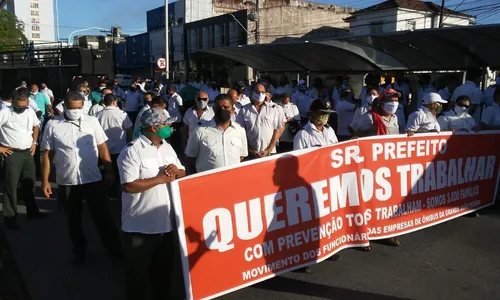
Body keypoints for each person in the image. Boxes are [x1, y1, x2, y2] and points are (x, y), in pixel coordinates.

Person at [41, 91, 123, 265]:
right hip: (67, 180)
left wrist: (108, 170)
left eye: (79, 108)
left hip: (92, 178)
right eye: (73, 108)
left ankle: (115, 249)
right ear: (64, 107)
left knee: (102, 216)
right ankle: (79, 251)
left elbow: (102, 147)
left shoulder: (92, 122)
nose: (76, 111)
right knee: (73, 220)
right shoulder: (53, 125)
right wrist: (46, 181)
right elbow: (48, 155)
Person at [118, 108, 185, 300]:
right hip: (140, 226)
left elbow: (182, 172)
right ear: (154, 127)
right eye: (166, 124)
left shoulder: (167, 147)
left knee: (163, 274)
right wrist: (160, 179)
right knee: (137, 277)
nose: (170, 127)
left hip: (165, 224)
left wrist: (177, 172)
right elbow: (129, 186)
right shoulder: (131, 151)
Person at [353, 88, 402, 249]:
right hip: (369, 167)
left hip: (389, 167)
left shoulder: (395, 118)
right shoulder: (369, 117)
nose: (393, 104)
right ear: (380, 102)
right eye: (390, 101)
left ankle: (387, 233)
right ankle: (363, 236)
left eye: (396, 101)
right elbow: (354, 135)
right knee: (368, 202)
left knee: (388, 202)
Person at [0, 88, 44, 230]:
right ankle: (10, 217)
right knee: (11, 186)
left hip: (28, 152)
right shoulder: (5, 113)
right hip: (12, 153)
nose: (22, 109)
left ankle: (32, 211)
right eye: (19, 107)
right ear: (12, 102)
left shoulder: (29, 111)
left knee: (30, 183)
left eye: (24, 106)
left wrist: (35, 143)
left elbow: (36, 126)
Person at [185, 94, 247, 173]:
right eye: (219, 108)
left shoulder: (240, 130)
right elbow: (190, 158)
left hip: (233, 179)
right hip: (207, 182)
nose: (222, 110)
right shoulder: (200, 130)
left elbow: (241, 156)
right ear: (214, 109)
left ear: (233, 110)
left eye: (226, 107)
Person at [96, 94, 134, 199]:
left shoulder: (98, 115)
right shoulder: (122, 114)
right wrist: (130, 142)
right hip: (120, 148)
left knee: (105, 171)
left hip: (104, 148)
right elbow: (129, 129)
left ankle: (108, 191)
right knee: (119, 171)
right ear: (114, 102)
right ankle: (119, 192)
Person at [236, 83, 285, 159]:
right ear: (252, 93)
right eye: (257, 92)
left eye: (262, 92)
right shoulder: (244, 110)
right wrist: (249, 150)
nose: (260, 94)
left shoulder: (273, 109)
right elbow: (239, 132)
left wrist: (268, 150)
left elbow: (277, 130)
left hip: (269, 153)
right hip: (250, 154)